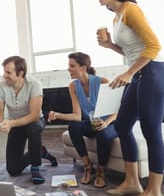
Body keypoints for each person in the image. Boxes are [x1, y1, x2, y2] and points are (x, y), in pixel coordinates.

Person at [95, 0, 164, 196]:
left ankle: (155, 192)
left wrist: (128, 73)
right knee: (122, 125)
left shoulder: (131, 9)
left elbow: (154, 46)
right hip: (138, 74)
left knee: (150, 131)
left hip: (153, 72)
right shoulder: (117, 17)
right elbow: (131, 51)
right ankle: (131, 181)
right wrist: (109, 45)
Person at [47, 52, 118, 188]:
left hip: (110, 122)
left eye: (72, 65)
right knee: (74, 127)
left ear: (83, 68)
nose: (68, 68)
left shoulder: (102, 82)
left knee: (102, 134)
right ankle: (87, 166)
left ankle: (101, 171)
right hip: (92, 123)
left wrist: (106, 123)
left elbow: (116, 111)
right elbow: (77, 116)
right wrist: (58, 114)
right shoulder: (73, 86)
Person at [0, 56, 54, 184]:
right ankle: (40, 151)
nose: (4, 76)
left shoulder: (34, 84)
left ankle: (35, 167)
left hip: (34, 121)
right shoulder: (0, 87)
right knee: (13, 170)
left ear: (20, 73)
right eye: (4, 71)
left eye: (8, 72)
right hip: (15, 123)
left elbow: (35, 114)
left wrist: (11, 123)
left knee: (33, 128)